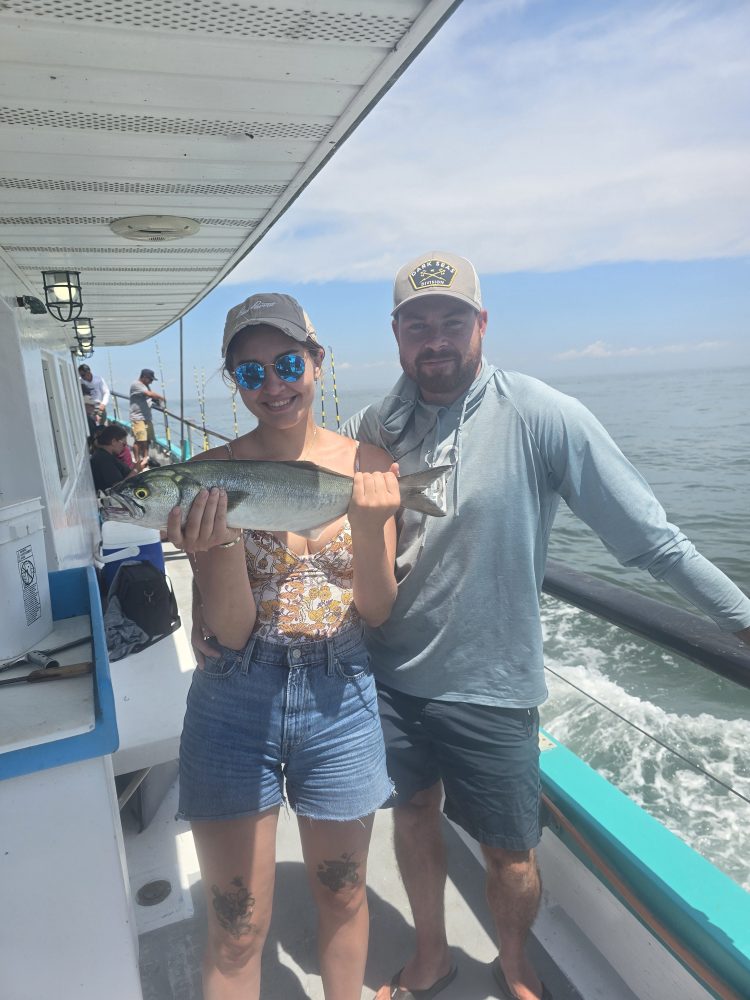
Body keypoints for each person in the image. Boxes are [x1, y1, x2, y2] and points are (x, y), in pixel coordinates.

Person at [344, 251, 750, 1000]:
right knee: (413, 814)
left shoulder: (541, 414)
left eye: (453, 322)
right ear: (397, 335)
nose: (437, 341)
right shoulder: (375, 423)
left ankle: (516, 960)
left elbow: (652, 539)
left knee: (513, 855)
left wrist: (740, 619)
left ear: (482, 324)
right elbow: (339, 539)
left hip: (492, 683)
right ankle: (431, 952)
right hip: (391, 672)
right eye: (419, 325)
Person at [170, 292, 401, 1000]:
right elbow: (232, 631)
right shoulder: (209, 475)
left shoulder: (367, 461)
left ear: (317, 362)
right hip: (236, 701)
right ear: (234, 381)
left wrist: (369, 525)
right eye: (250, 373)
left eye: (287, 363)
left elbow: (378, 608)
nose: (273, 385)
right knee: (238, 924)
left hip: (341, 694)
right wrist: (222, 542)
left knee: (343, 895)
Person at [89, 424, 146, 491]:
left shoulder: (103, 454)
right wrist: (136, 470)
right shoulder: (104, 461)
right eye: (124, 444)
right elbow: (117, 488)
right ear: (113, 442)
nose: (125, 447)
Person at [129, 367, 164, 464]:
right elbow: (149, 394)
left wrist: (158, 402)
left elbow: (149, 398)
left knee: (147, 440)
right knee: (139, 440)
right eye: (151, 379)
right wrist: (162, 397)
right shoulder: (136, 385)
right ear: (144, 377)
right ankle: (136, 461)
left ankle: (145, 458)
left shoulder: (146, 385)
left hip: (147, 418)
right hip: (138, 418)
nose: (151, 382)